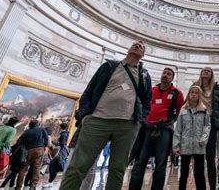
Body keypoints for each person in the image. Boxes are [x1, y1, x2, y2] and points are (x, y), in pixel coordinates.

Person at [60, 40, 152, 190]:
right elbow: (89, 90)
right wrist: (85, 116)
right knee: (78, 165)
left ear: (143, 55)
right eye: (135, 44)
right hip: (97, 120)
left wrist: (140, 121)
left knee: (117, 169)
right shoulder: (109, 66)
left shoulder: (144, 75)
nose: (138, 45)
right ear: (128, 49)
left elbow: (147, 100)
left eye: (142, 46)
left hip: (127, 125)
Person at [129, 67, 184, 190]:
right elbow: (143, 105)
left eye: (169, 74)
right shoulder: (152, 90)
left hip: (164, 130)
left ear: (172, 78)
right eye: (164, 73)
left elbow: (179, 111)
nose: (165, 75)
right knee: (140, 162)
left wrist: (169, 122)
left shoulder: (177, 93)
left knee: (160, 164)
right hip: (147, 129)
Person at [172, 85, 211, 190]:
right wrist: (176, 146)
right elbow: (178, 129)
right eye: (192, 92)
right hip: (185, 146)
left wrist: (203, 139)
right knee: (184, 173)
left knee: (199, 173)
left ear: (199, 95)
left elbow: (207, 126)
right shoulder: (183, 110)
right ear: (188, 94)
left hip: (199, 145)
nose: (194, 95)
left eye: (196, 93)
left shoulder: (204, 110)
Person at [193, 67, 219, 189]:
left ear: (212, 74)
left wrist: (217, 118)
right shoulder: (195, 86)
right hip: (197, 122)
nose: (205, 72)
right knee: (198, 158)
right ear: (200, 73)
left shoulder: (216, 88)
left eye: (208, 71)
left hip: (210, 123)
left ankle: (212, 187)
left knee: (210, 158)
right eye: (204, 70)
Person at [17, 119, 49, 190]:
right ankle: (33, 186)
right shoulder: (42, 130)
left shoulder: (26, 131)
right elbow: (47, 139)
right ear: (38, 124)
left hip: (28, 150)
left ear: (30, 125)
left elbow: (19, 141)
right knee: (37, 167)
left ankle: (18, 187)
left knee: (23, 169)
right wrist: (44, 146)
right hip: (39, 149)